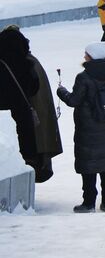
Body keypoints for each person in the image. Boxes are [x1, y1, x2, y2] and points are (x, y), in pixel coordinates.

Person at [56, 42, 105, 213]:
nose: (84, 56)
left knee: (89, 164)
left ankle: (88, 203)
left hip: (88, 127)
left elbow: (74, 100)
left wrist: (61, 92)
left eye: (86, 54)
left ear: (92, 56)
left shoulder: (84, 77)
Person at [0, 25, 63, 183]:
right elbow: (35, 88)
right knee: (25, 154)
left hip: (4, 120)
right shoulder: (28, 62)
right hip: (23, 116)